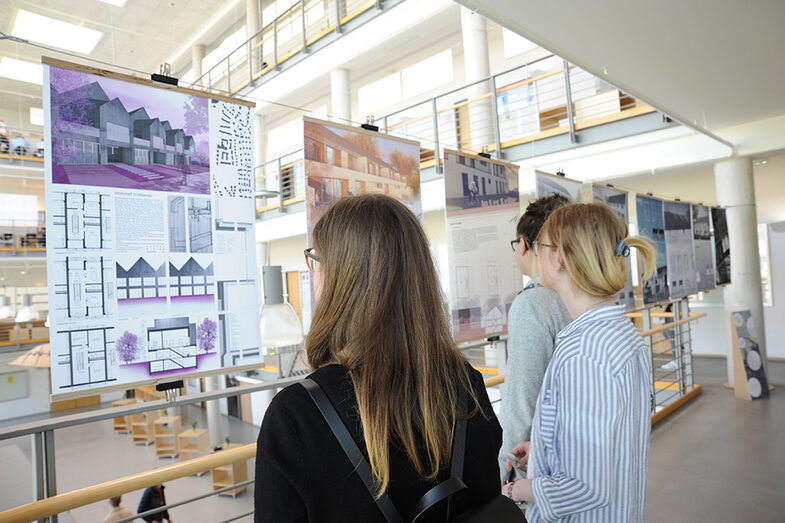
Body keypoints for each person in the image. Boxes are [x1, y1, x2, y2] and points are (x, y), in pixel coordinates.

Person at [255, 194, 502, 522]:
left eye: (314, 259)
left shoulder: (295, 417)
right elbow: (486, 503)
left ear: (339, 277)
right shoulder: (466, 386)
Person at [503, 202, 655, 522]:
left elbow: (586, 486)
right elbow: (608, 440)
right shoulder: (619, 332)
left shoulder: (585, 352)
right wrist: (544, 449)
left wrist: (516, 491)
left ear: (559, 258)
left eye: (541, 246)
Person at [499, 194, 571, 481]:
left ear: (526, 246)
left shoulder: (532, 304)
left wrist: (503, 467)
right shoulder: (583, 296)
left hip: (542, 465)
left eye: (517, 245)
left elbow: (523, 398)